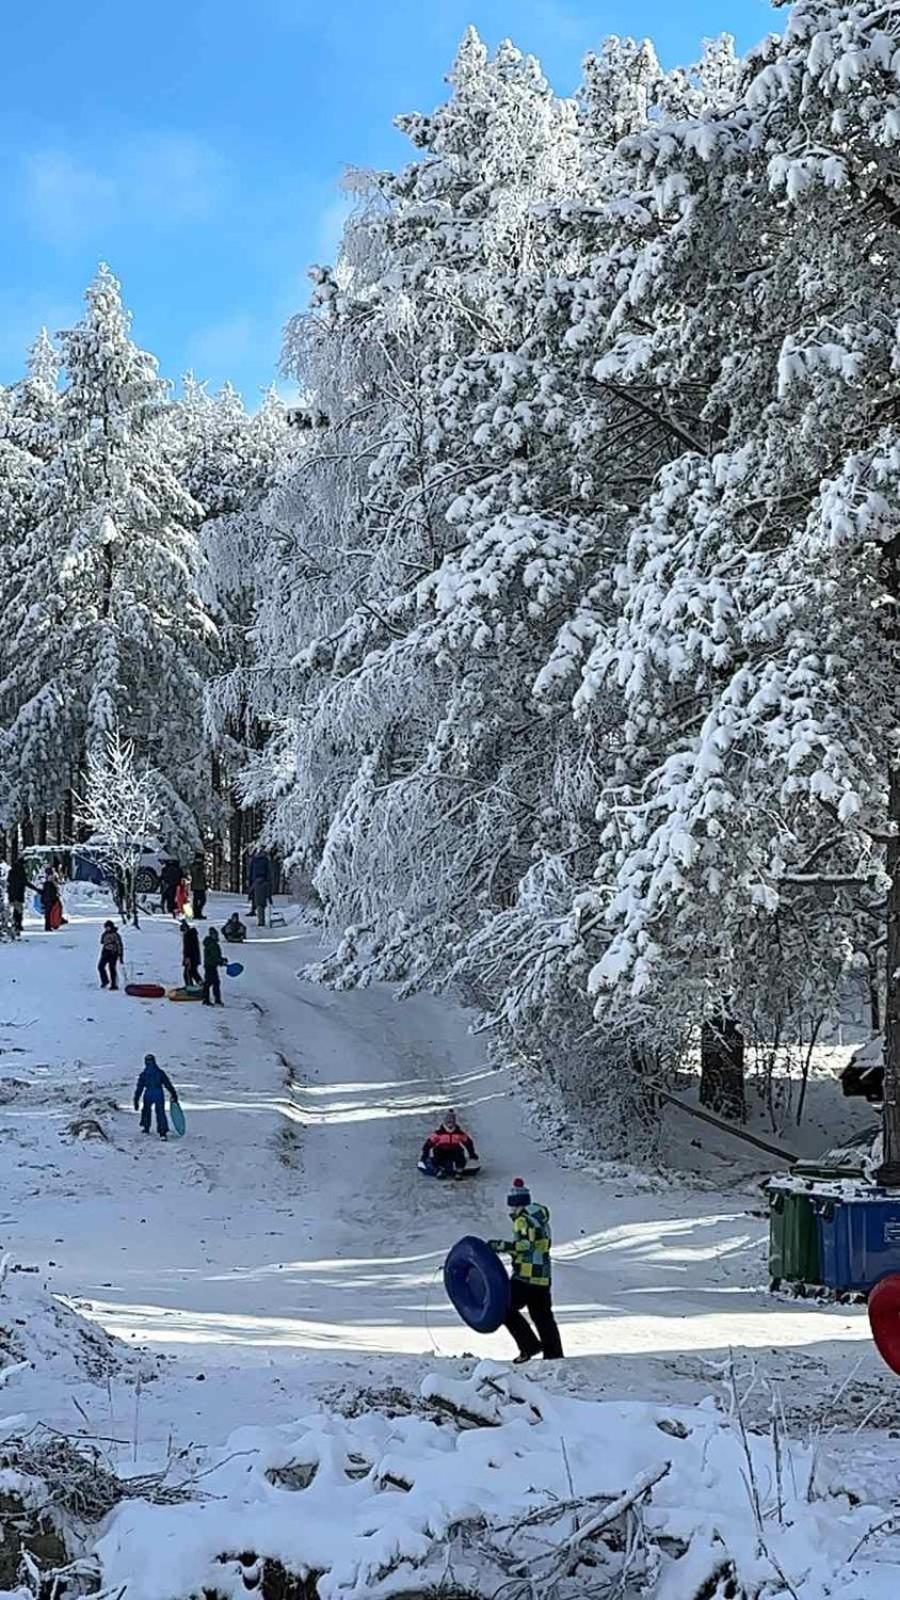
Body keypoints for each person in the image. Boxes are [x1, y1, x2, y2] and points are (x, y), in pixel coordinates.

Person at [489, 1178, 563, 1364]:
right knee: (543, 1317)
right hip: (543, 1276)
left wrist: (500, 1246)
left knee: (504, 1308)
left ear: (515, 1204)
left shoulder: (522, 1220)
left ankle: (529, 1345)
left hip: (525, 1276)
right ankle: (554, 1356)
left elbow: (525, 1245)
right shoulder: (539, 1217)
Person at [420, 1109, 479, 1178]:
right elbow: (429, 1144)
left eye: (452, 1122)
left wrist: (472, 1153)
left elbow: (468, 1143)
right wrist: (425, 1154)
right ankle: (439, 1170)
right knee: (437, 1153)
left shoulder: (459, 1133)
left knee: (459, 1154)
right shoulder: (439, 1133)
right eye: (448, 1122)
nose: (450, 1125)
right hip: (442, 1150)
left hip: (454, 1150)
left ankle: (459, 1170)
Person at [133, 1053, 178, 1140]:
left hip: (148, 1093)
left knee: (146, 1110)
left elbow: (139, 1088)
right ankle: (162, 1132)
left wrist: (136, 1100)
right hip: (158, 1093)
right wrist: (173, 1093)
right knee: (160, 1112)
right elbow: (167, 1084)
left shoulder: (144, 1074)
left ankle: (146, 1127)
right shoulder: (160, 1073)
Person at [5, 857, 36, 937]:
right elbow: (25, 882)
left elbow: (8, 883)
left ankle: (15, 924)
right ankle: (18, 925)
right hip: (19, 894)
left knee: (15, 910)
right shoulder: (20, 871)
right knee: (19, 911)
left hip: (11, 894)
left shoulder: (11, 871)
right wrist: (36, 889)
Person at [247, 846, 273, 928]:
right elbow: (269, 872)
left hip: (256, 882)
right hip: (263, 881)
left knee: (257, 900)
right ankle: (261, 921)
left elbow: (251, 872)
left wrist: (250, 881)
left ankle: (259, 917)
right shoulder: (265, 860)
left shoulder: (254, 860)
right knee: (261, 902)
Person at [202, 927, 226, 1006]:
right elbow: (214, 957)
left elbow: (215, 957)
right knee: (211, 983)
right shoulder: (212, 945)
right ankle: (208, 1000)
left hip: (211, 965)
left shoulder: (212, 944)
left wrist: (221, 960)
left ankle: (213, 999)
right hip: (210, 966)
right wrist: (221, 961)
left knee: (212, 983)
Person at [98, 920, 124, 989]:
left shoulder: (116, 935)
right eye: (106, 927)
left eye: (108, 927)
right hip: (105, 952)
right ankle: (105, 981)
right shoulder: (104, 934)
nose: (107, 928)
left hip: (113, 953)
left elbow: (120, 945)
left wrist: (120, 955)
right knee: (100, 967)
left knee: (112, 968)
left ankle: (114, 984)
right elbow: (102, 942)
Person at [181, 920, 202, 987]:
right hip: (194, 958)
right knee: (194, 972)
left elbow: (188, 948)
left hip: (191, 958)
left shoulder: (188, 936)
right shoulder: (192, 935)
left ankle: (190, 987)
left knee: (187, 974)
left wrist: (187, 958)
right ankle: (201, 985)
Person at [191, 852, 208, 919]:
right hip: (197, 886)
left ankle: (198, 913)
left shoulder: (200, 866)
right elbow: (196, 874)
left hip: (201, 886)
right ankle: (197, 914)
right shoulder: (196, 866)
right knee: (199, 901)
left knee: (201, 901)